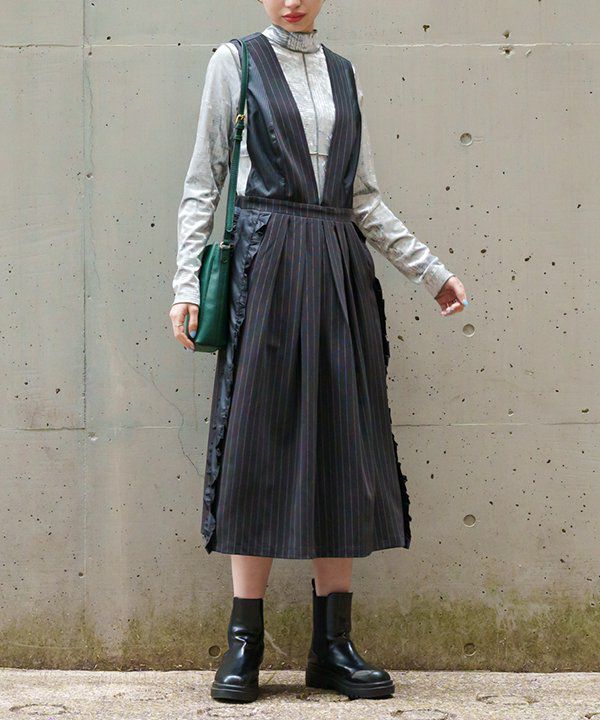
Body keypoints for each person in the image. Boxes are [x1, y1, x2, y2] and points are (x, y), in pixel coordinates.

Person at [169, 0, 468, 704]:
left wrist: (430, 271)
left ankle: (332, 646)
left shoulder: (344, 75)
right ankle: (244, 642)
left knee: (341, 443)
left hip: (338, 267)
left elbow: (363, 198)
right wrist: (186, 284)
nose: (291, 0)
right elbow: (204, 181)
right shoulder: (235, 62)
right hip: (266, 267)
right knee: (256, 443)